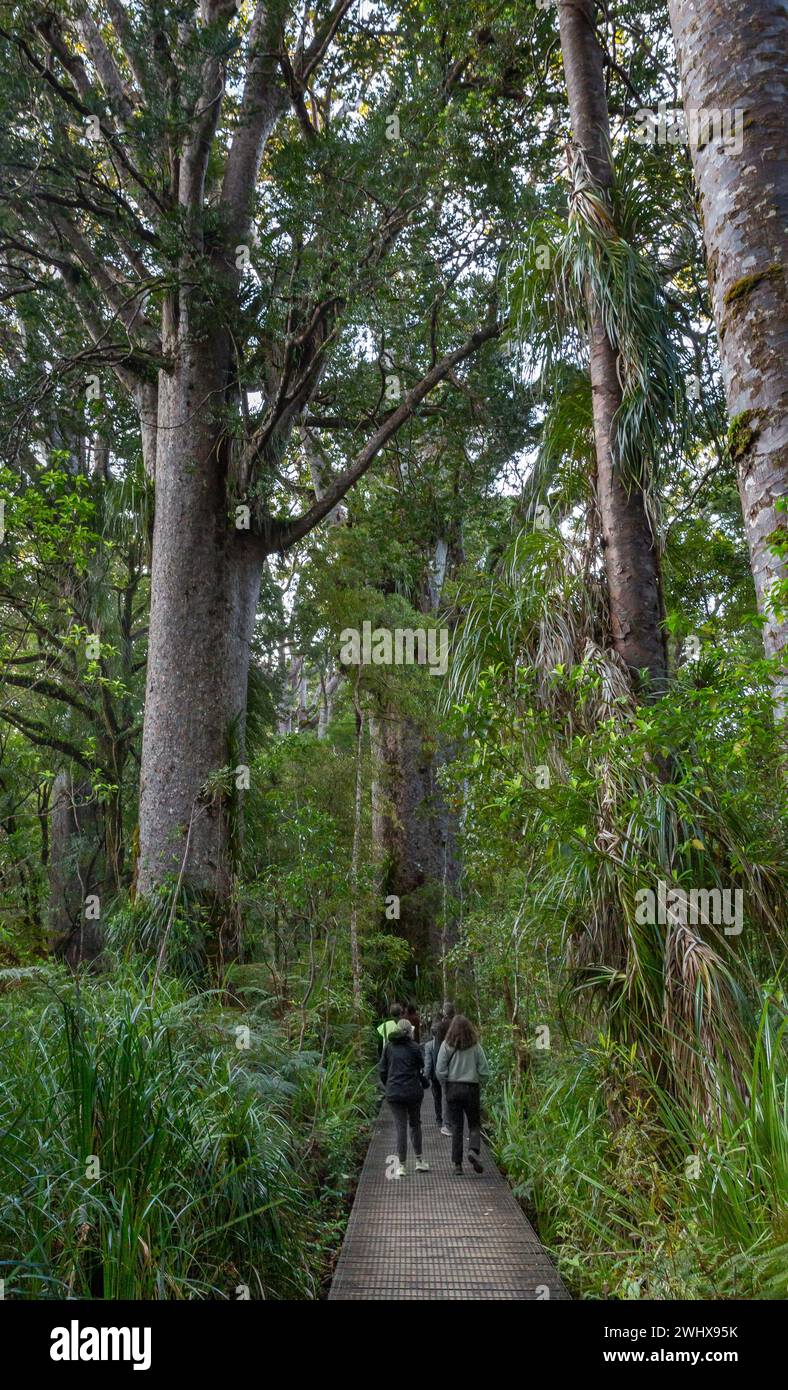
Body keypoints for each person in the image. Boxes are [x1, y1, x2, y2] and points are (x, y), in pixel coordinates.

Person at [436, 1014, 490, 1175]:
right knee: (474, 1123)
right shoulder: (475, 1046)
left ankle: (457, 1165)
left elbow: (440, 1070)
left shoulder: (446, 1045)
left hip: (453, 1089)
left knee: (457, 1127)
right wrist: (479, 1080)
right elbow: (484, 1071)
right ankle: (473, 1149)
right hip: (471, 1088)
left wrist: (445, 1082)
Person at [379, 1018, 431, 1177]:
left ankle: (401, 1166)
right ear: (410, 1031)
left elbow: (382, 1070)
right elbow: (421, 1067)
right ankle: (419, 1161)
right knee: (415, 1124)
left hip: (394, 1093)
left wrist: (388, 1084)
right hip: (413, 1092)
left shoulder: (388, 1047)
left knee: (400, 1127)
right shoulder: (415, 1048)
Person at [422, 1013, 449, 1133]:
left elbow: (428, 1063)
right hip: (446, 1075)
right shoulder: (447, 1044)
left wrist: (425, 1077)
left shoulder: (428, 1045)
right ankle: (447, 1121)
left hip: (434, 1076)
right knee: (446, 1097)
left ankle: (439, 1119)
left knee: (437, 1097)